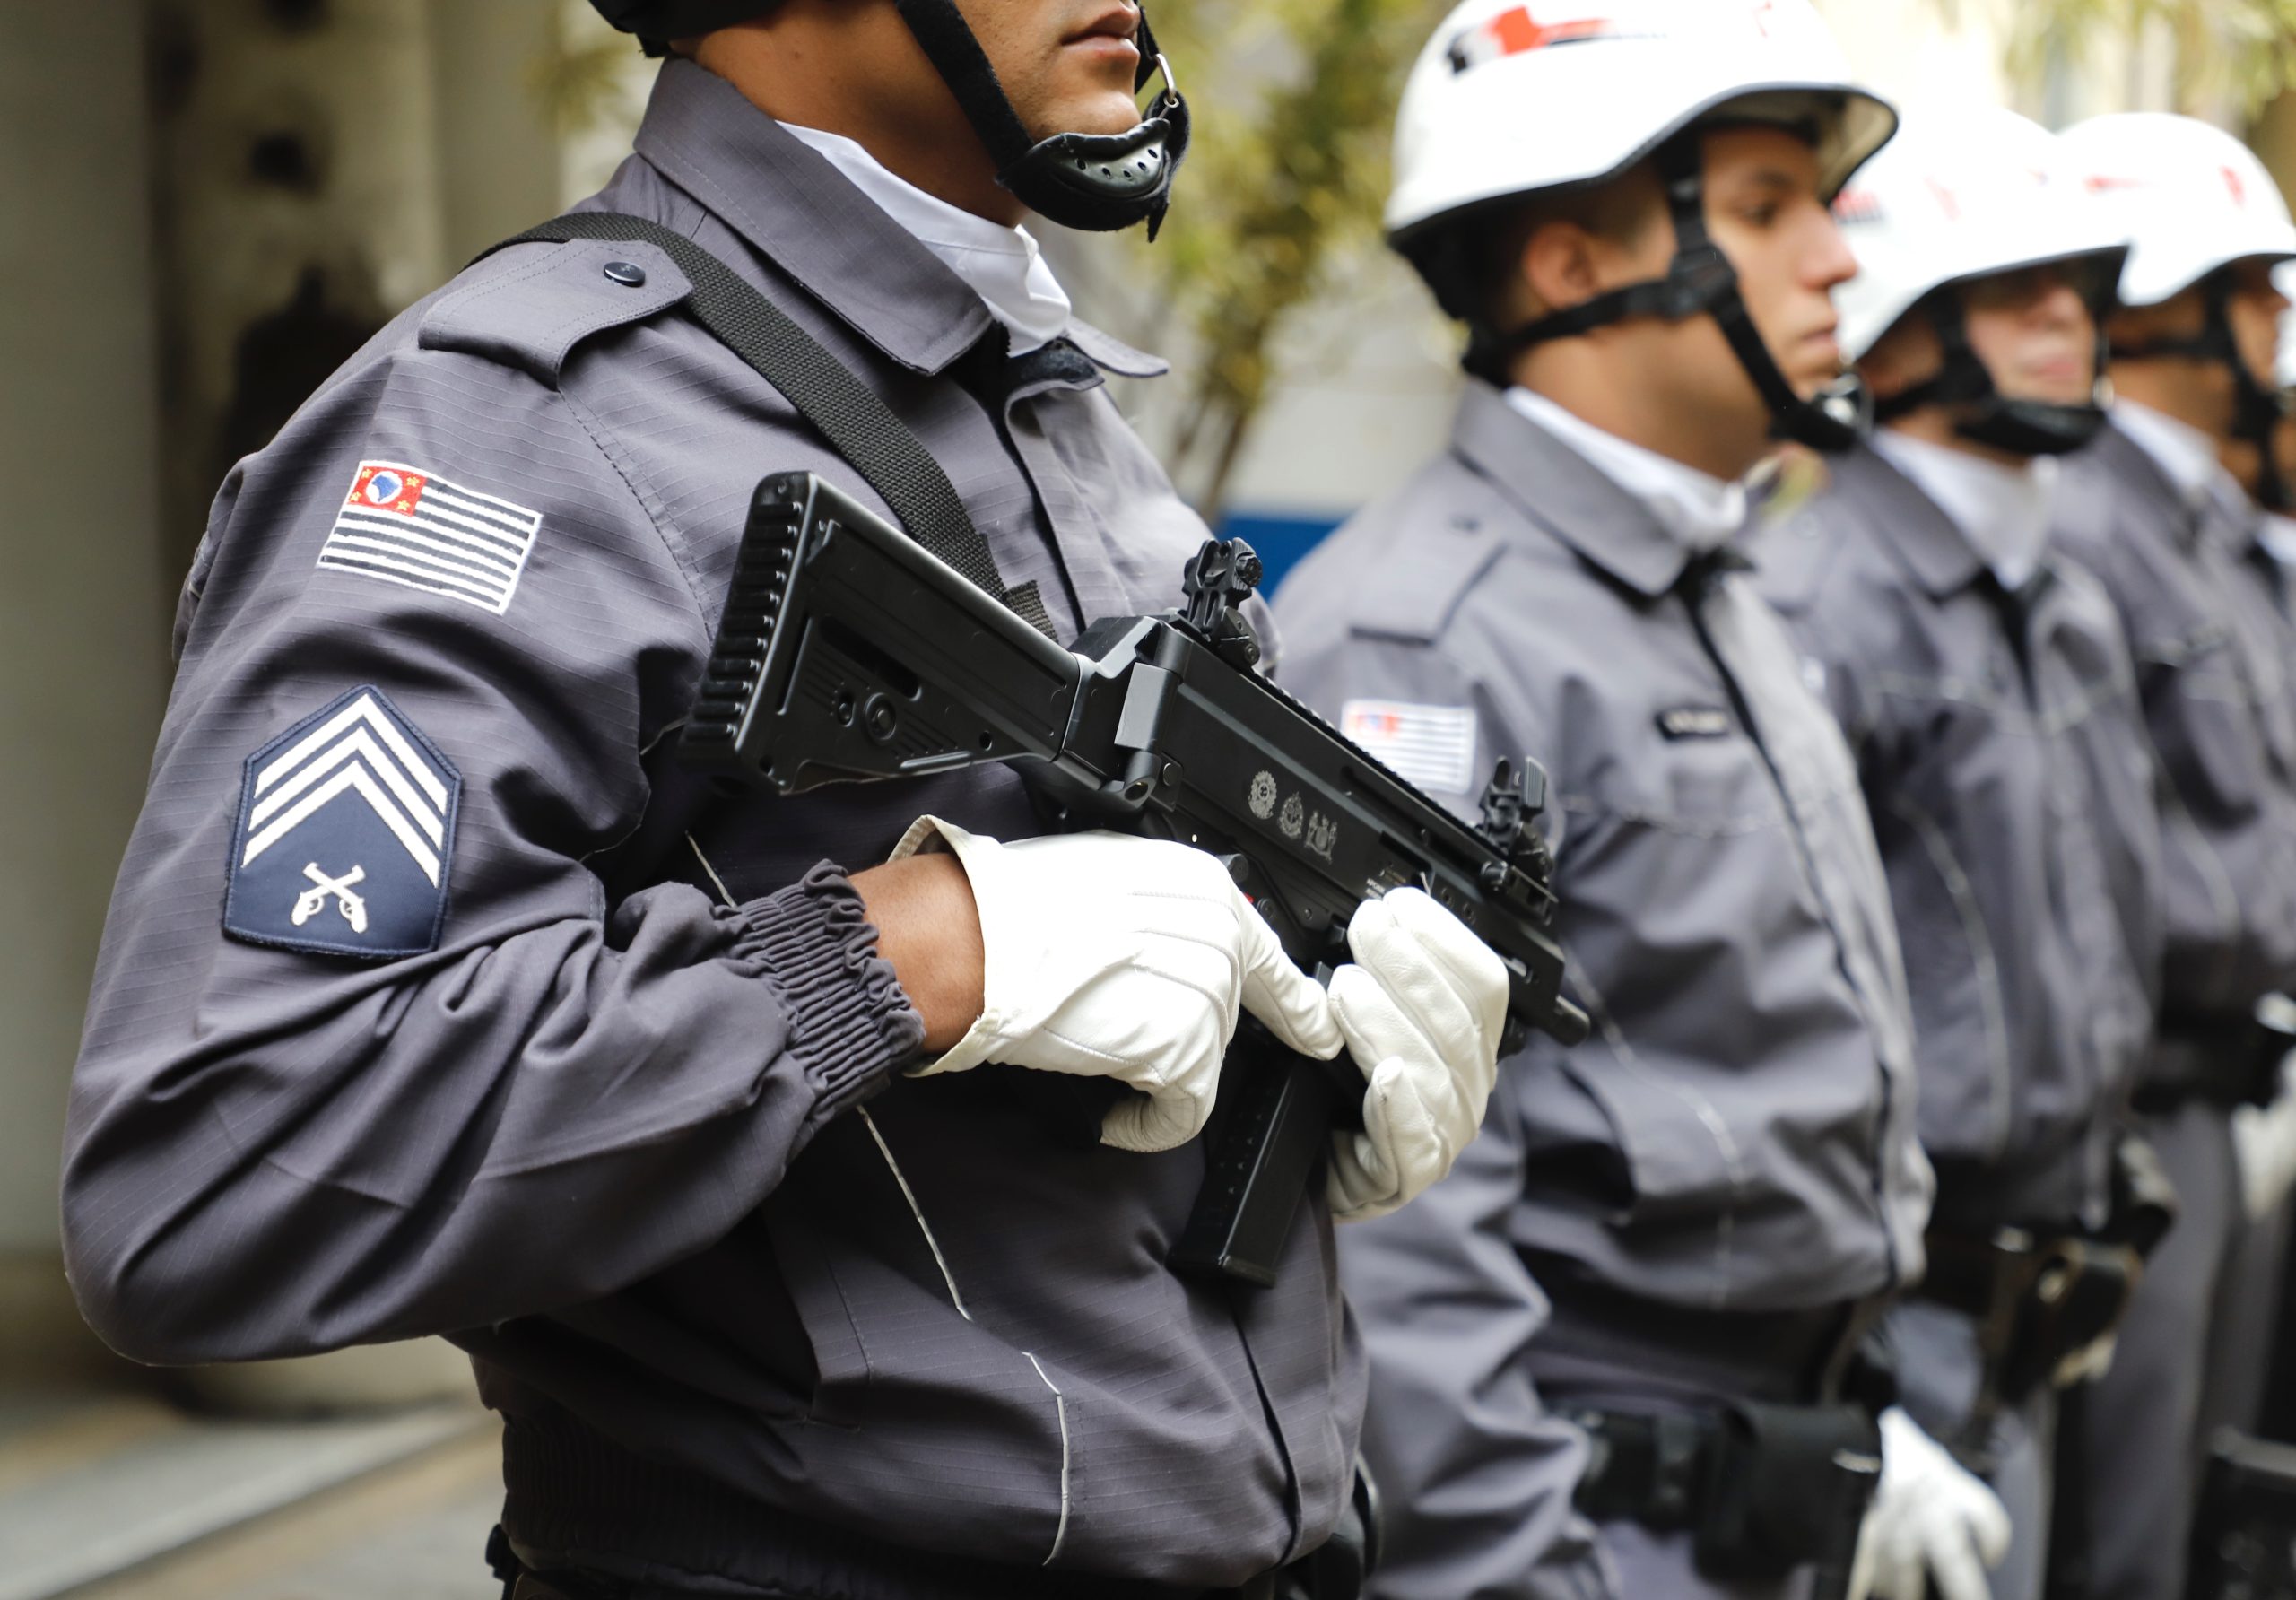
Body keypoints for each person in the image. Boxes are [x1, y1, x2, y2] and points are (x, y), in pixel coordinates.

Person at [57, 4, 1510, 1597]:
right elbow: (219, 1174)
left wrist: (1303, 1086)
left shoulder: (1063, 415)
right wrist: (907, 955)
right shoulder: (513, 422)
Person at [1273, 3, 1952, 1595]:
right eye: (1769, 209)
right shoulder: (1424, 640)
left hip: (1774, 1475)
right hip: (1588, 1520)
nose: (1838, 259)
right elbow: (1402, 1216)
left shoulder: (1717, 588)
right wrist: (1517, 1566)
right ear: (1572, 265)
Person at [1744, 105, 2165, 1600]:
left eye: (2082, 287)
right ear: (1899, 321)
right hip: (1897, 1316)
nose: (2070, 321)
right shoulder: (1819, 600)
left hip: (2043, 1300)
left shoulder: (2065, 600)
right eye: (2014, 288)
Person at [2045, 110, 2296, 1600]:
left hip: (2224, 1084)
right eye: (2247, 286)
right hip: (2143, 1099)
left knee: (2189, 1523)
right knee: (2119, 1544)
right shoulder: (2088, 519)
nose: (2274, 319)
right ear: (2153, 303)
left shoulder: (2193, 522)